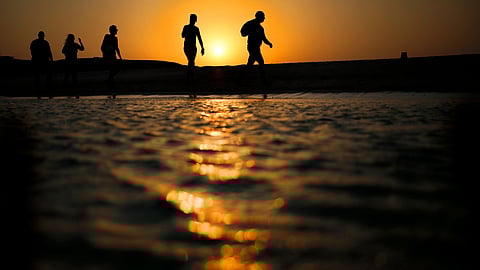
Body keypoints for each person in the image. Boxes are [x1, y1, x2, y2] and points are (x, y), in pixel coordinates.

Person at [241, 11, 273, 82]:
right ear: (259, 17)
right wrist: (249, 32)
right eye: (263, 17)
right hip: (252, 47)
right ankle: (263, 80)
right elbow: (243, 32)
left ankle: (242, 80)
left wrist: (269, 44)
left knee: (250, 64)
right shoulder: (251, 24)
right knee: (261, 62)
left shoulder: (261, 28)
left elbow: (264, 38)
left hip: (257, 48)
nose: (264, 18)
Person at [182, 14, 205, 95]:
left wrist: (202, 47)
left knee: (192, 62)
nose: (194, 21)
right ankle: (189, 80)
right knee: (191, 61)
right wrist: (188, 33)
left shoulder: (196, 29)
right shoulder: (186, 27)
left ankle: (190, 80)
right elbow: (182, 35)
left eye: (194, 19)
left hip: (194, 47)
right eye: (193, 19)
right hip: (187, 46)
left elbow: (199, 38)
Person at [30, 31, 53, 97]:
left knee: (39, 75)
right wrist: (51, 59)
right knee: (40, 74)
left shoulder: (35, 42)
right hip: (41, 60)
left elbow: (32, 51)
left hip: (39, 60)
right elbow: (49, 51)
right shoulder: (43, 42)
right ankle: (44, 86)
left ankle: (41, 87)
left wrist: (51, 58)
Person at [101, 25, 122, 90]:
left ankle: (109, 81)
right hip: (108, 57)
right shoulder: (107, 36)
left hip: (113, 56)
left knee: (116, 69)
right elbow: (102, 47)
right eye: (115, 30)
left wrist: (120, 57)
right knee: (113, 69)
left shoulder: (115, 38)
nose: (116, 31)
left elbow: (116, 48)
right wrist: (105, 54)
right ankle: (110, 83)